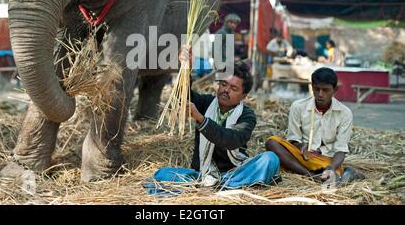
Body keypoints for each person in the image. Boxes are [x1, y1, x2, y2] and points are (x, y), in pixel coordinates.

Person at [145, 48, 280, 194]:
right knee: (162, 174)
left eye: (233, 88)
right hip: (203, 175)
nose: (226, 90)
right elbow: (183, 97)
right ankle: (223, 187)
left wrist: (201, 120)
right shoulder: (206, 103)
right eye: (223, 84)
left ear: (244, 96)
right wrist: (186, 69)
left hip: (236, 172)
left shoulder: (247, 115)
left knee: (270, 159)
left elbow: (231, 139)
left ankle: (219, 187)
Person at [265, 67, 363, 185]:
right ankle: (311, 176)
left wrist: (331, 168)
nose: (320, 94)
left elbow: (341, 150)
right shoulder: (298, 107)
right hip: (302, 158)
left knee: (331, 179)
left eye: (325, 90)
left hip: (326, 161)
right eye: (317, 89)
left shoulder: (345, 113)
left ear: (335, 90)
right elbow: (293, 139)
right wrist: (301, 146)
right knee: (272, 142)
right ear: (312, 87)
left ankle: (331, 175)